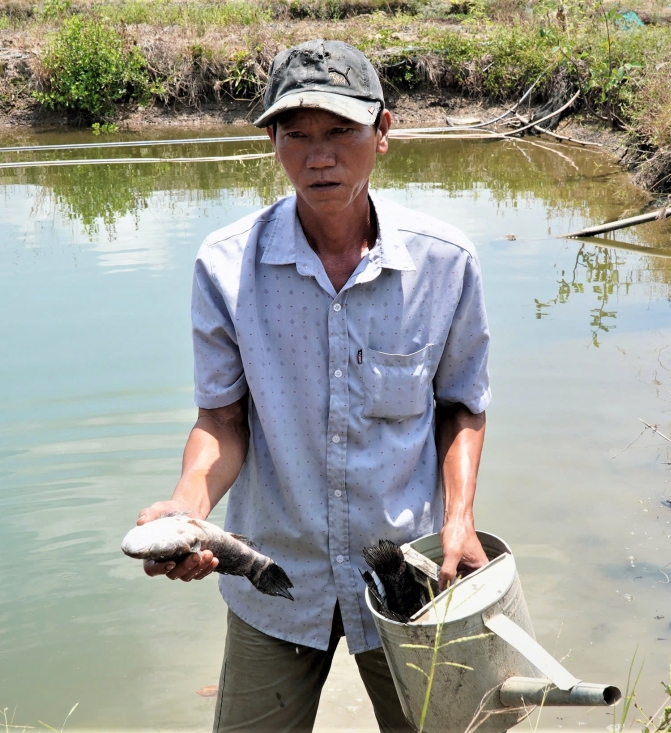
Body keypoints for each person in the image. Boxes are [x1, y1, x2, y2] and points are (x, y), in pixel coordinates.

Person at [135, 38, 493, 732]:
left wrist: (458, 517)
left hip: (407, 580)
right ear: (272, 141)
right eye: (295, 135)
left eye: (339, 132)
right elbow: (223, 420)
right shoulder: (227, 266)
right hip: (275, 577)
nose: (317, 155)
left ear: (382, 132)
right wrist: (189, 505)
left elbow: (461, 406)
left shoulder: (445, 264)